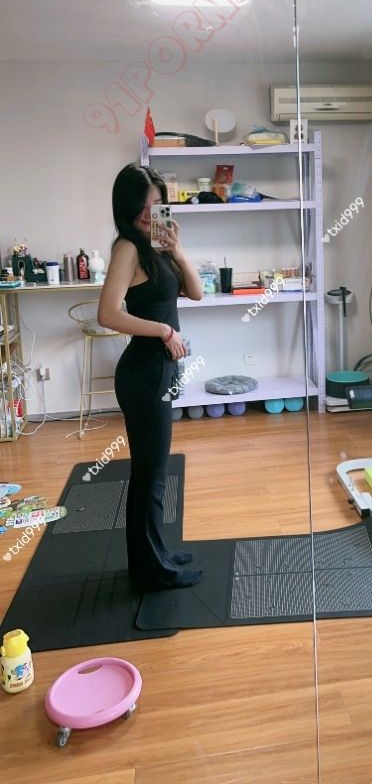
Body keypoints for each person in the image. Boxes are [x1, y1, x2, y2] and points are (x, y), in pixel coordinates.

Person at [98, 162, 204, 591]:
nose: (148, 214)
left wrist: (177, 250)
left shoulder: (156, 248)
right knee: (151, 473)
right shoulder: (128, 248)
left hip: (160, 370)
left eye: (156, 204)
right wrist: (163, 331)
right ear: (126, 208)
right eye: (141, 206)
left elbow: (196, 292)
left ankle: (153, 555)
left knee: (153, 472)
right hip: (144, 372)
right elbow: (108, 314)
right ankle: (150, 570)